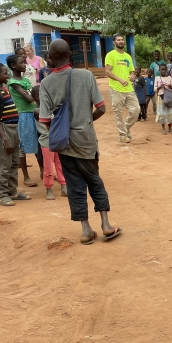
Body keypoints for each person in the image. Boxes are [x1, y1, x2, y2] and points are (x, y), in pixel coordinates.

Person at [39, 39, 120, 244]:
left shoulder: (46, 83)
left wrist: (61, 130)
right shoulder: (85, 75)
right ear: (70, 55)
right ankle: (106, 225)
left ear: (51, 57)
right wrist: (85, 121)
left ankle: (85, 230)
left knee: (75, 185)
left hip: (64, 144)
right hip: (86, 140)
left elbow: (45, 119)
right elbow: (101, 108)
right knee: (94, 180)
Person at [0, 62, 30, 206]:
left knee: (14, 161)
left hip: (13, 129)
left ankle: (12, 190)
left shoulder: (3, 89)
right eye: (5, 73)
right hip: (5, 130)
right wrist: (4, 138)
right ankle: (2, 194)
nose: (7, 75)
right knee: (5, 163)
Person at [7, 54, 39, 188]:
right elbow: (28, 98)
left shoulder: (24, 79)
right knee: (22, 146)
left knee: (39, 141)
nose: (25, 64)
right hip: (23, 115)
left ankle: (44, 171)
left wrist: (32, 96)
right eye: (21, 62)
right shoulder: (14, 82)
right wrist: (34, 97)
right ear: (13, 66)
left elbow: (31, 95)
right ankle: (26, 176)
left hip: (33, 112)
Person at [32, 86, 67, 200]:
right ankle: (48, 188)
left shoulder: (49, 107)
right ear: (37, 97)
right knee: (48, 166)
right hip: (47, 142)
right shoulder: (38, 111)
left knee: (60, 164)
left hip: (56, 140)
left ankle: (63, 185)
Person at [105, 33, 139, 143]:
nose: (121, 41)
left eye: (122, 40)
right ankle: (123, 135)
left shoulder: (128, 56)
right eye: (118, 40)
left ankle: (125, 128)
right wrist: (120, 79)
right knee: (118, 113)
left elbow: (132, 71)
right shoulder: (111, 55)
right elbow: (107, 72)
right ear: (114, 42)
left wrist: (133, 76)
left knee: (136, 110)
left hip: (129, 89)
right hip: (116, 89)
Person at [155, 64, 172, 135]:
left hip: (169, 97)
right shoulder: (157, 78)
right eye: (162, 69)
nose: (163, 71)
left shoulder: (169, 77)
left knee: (169, 112)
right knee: (162, 113)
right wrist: (159, 87)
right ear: (159, 70)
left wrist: (170, 87)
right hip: (161, 97)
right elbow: (154, 89)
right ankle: (163, 128)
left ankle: (170, 128)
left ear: (167, 70)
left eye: (165, 69)